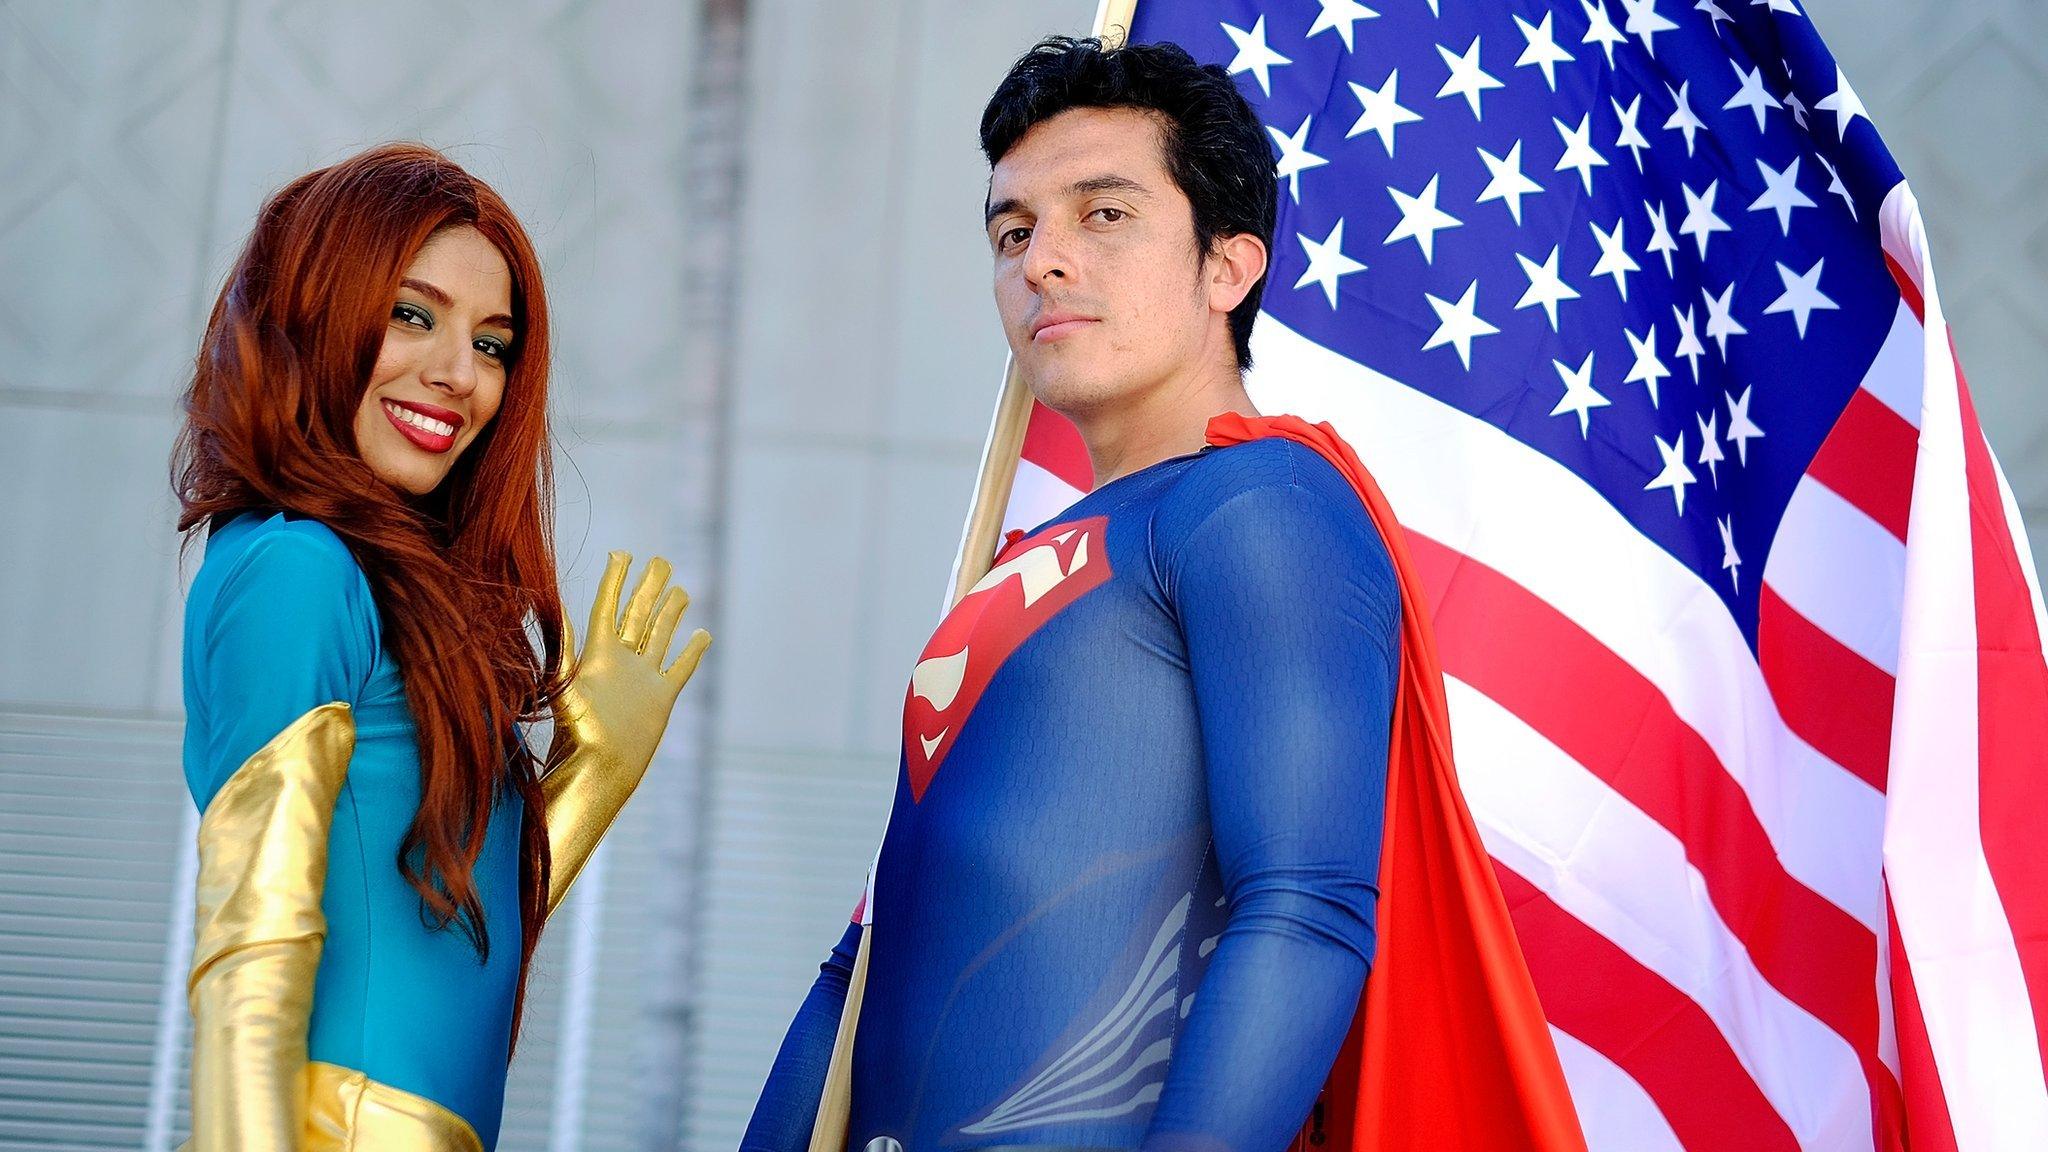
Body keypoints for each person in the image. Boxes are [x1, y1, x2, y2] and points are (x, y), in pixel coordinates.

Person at [743, 36, 1582, 1152]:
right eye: (1011, 230)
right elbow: (863, 959)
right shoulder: (1019, 564)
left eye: (1102, 215)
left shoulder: (1257, 502)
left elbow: (1305, 910)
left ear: (1228, 268)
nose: (1040, 260)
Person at [172, 143, 709, 1151]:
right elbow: (250, 954)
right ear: (315, 311)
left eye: (494, 344)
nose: (459, 376)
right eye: (412, 315)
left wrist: (590, 776)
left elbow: (447, 925)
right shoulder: (298, 570)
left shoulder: (373, 586)